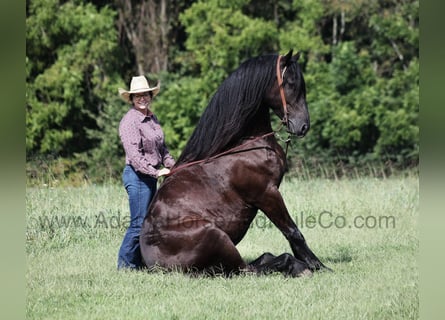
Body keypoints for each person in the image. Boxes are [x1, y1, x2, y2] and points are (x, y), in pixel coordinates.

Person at [117, 75, 175, 270]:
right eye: (138, 96)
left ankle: (142, 263)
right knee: (138, 223)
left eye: (145, 95)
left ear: (150, 96)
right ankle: (125, 266)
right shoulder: (129, 121)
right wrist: (156, 172)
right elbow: (134, 156)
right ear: (132, 99)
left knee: (149, 222)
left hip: (150, 176)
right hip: (137, 175)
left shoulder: (152, 118)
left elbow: (162, 148)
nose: (142, 98)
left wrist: (174, 166)